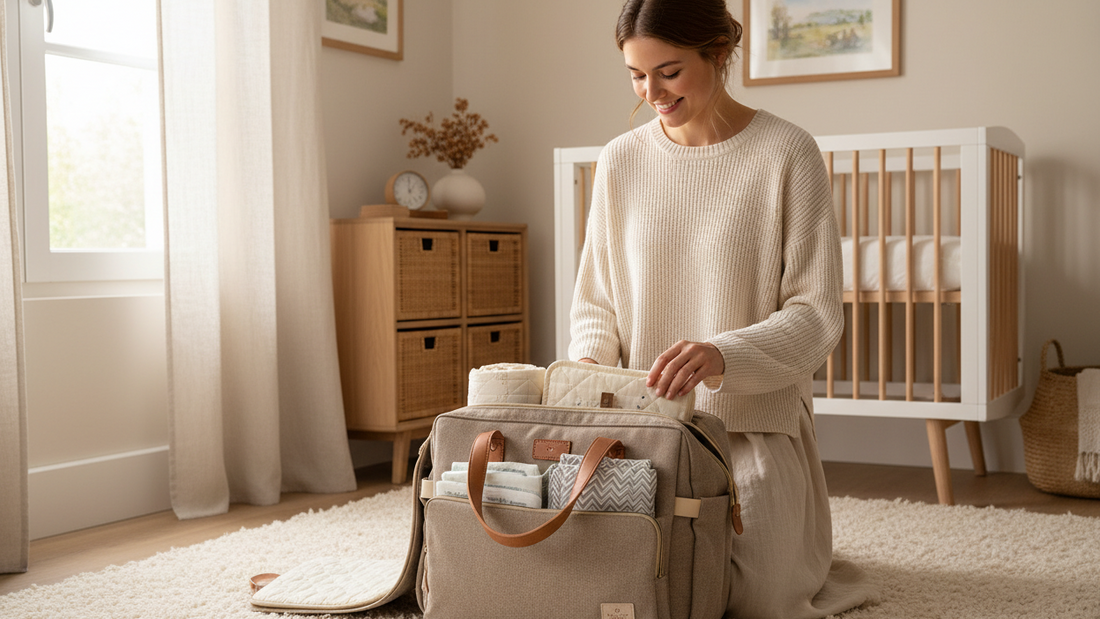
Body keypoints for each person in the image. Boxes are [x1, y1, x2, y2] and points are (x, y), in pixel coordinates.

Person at [568, 1, 881, 617]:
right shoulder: (620, 160)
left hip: (750, 422)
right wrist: (589, 375)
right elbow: (596, 302)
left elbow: (816, 314)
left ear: (718, 52)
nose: (652, 92)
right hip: (645, 425)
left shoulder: (788, 152)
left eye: (669, 72)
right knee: (617, 580)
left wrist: (721, 354)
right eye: (637, 75)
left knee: (760, 598)